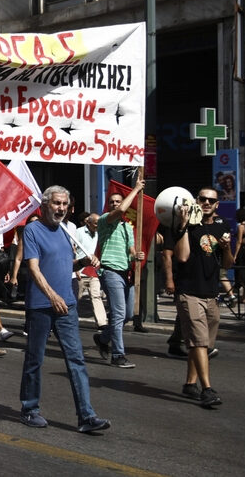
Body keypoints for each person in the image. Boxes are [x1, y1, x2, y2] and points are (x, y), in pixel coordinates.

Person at [18, 185, 110, 433]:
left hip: (67, 305)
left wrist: (82, 261)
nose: (61, 208)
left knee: (76, 360)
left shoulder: (64, 231)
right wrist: (52, 295)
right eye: (57, 203)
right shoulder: (32, 230)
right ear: (46, 204)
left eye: (65, 205)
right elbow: (35, 269)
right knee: (35, 359)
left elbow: (63, 264)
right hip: (41, 305)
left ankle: (86, 416)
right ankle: (29, 409)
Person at [173, 187, 234, 408]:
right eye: (202, 199)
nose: (207, 202)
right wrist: (184, 226)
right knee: (199, 341)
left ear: (217, 204)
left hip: (211, 293)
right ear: (196, 201)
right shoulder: (185, 224)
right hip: (189, 292)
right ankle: (207, 389)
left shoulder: (223, 226)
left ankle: (190, 384)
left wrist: (227, 249)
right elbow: (182, 256)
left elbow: (227, 264)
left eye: (211, 200)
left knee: (203, 343)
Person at [92, 179, 147, 369]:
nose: (115, 204)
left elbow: (130, 250)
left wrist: (136, 255)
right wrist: (136, 189)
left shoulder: (127, 227)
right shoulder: (104, 220)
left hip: (125, 272)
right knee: (118, 314)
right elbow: (121, 211)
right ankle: (118, 354)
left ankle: (103, 338)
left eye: (118, 201)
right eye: (112, 202)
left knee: (127, 315)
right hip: (110, 271)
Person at [73, 212, 109, 336]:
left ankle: (102, 323)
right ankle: (67, 320)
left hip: (94, 271)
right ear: (88, 223)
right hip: (80, 271)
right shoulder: (78, 232)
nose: (97, 226)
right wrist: (75, 269)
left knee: (96, 296)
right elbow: (72, 250)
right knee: (75, 298)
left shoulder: (99, 233)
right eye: (95, 224)